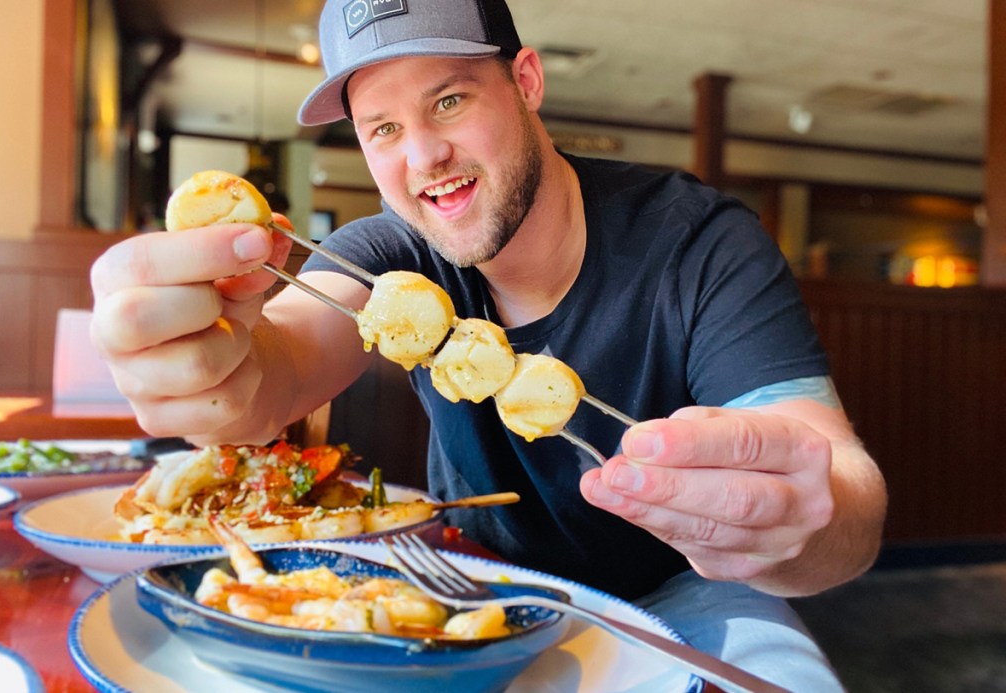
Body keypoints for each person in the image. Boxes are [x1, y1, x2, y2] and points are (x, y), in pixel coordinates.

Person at [89, 0, 886, 689]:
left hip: (686, 590)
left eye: (447, 101)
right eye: (383, 128)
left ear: (527, 83)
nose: (421, 156)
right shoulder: (391, 256)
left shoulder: (698, 243)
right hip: (476, 580)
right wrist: (216, 375)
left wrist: (798, 524)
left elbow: (841, 488)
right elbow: (278, 372)